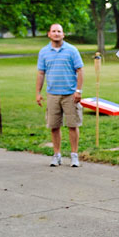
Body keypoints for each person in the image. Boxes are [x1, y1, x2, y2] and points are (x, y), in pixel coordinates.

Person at [35, 23, 84, 167]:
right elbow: (41, 73)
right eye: (54, 31)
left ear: (63, 34)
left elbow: (80, 71)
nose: (56, 33)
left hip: (70, 94)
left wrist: (78, 91)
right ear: (49, 34)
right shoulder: (43, 52)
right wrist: (38, 92)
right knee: (54, 126)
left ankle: (74, 155)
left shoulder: (72, 51)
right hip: (52, 95)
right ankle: (57, 155)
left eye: (59, 31)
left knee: (72, 125)